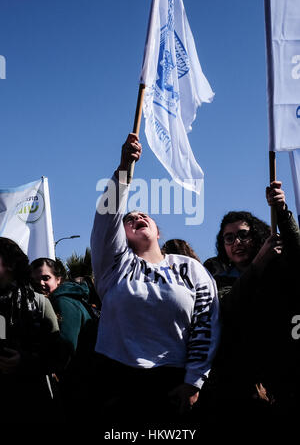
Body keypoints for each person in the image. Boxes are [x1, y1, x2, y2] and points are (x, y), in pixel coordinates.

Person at [90, 133, 220, 430]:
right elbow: (106, 217)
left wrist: (194, 381)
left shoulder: (190, 269)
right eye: (129, 218)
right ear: (119, 236)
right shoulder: (116, 267)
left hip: (173, 384)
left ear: (158, 232)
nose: (136, 216)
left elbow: (206, 323)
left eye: (142, 214)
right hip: (115, 382)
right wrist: (124, 168)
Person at [203, 181, 300, 428]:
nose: (237, 242)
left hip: (285, 372)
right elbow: (228, 307)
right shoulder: (215, 277)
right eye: (229, 238)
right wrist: (258, 262)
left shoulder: (277, 267)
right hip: (240, 380)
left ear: (256, 235)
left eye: (244, 234)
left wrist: (282, 211)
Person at [0, 237, 65, 423]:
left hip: (34, 401)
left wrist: (23, 360)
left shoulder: (38, 303)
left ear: (10, 265)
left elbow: (58, 354)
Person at [30, 257, 97, 424]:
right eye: (35, 280)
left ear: (58, 279)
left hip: (81, 387)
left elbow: (65, 349)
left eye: (46, 278)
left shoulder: (63, 302)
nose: (40, 283)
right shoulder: (61, 300)